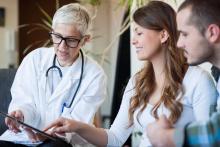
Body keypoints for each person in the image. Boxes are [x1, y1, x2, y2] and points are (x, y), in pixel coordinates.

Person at [43, 1, 218, 146]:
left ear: (163, 35)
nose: (133, 40)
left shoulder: (198, 81)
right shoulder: (138, 81)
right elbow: (115, 138)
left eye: (139, 33)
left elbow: (210, 142)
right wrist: (75, 126)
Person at [0, 3, 106, 147]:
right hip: (24, 137)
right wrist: (20, 114)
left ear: (85, 40)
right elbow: (24, 100)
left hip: (63, 141)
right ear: (52, 31)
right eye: (57, 36)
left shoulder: (95, 75)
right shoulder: (34, 59)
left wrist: (48, 134)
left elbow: (78, 123)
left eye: (71, 40)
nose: (62, 47)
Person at [146, 0, 220, 146]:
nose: (179, 43)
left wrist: (166, 136)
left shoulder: (200, 79)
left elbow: (216, 132)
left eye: (184, 34)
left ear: (212, 32)